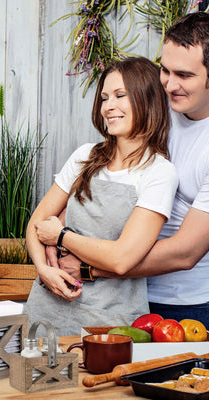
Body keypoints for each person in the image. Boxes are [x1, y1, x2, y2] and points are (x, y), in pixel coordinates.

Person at [24, 57, 179, 335]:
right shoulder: (85, 155)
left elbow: (121, 259)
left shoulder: (159, 173)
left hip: (110, 321)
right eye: (105, 98)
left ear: (148, 100)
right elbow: (37, 223)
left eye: (120, 96)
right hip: (46, 308)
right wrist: (44, 270)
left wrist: (60, 236)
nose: (109, 106)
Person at [87, 12, 209, 325]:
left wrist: (92, 266)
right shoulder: (156, 105)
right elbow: (106, 170)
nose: (169, 84)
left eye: (184, 75)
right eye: (164, 70)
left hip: (180, 305)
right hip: (115, 291)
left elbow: (186, 253)